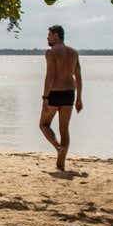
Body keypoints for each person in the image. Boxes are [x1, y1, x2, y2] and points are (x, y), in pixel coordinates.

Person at [39, 25, 83, 171]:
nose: (47, 38)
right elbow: (78, 77)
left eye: (49, 35)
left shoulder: (51, 53)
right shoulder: (74, 53)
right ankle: (61, 164)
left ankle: (58, 148)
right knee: (64, 129)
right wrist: (79, 99)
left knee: (43, 125)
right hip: (70, 94)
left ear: (56, 35)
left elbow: (50, 76)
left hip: (54, 93)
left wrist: (45, 97)